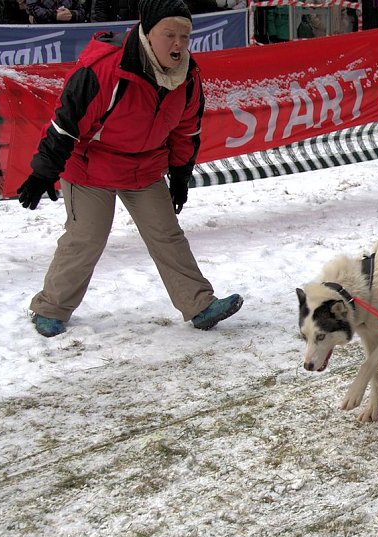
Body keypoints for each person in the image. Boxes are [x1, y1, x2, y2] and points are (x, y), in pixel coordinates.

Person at [16, 0, 243, 337]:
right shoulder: (105, 69)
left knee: (167, 235)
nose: (178, 44)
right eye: (170, 35)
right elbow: (65, 125)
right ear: (147, 33)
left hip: (144, 168)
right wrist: (44, 172)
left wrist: (180, 177)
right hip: (92, 166)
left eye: (185, 36)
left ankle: (199, 305)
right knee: (86, 238)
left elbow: (186, 131)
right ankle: (50, 308)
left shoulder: (188, 78)